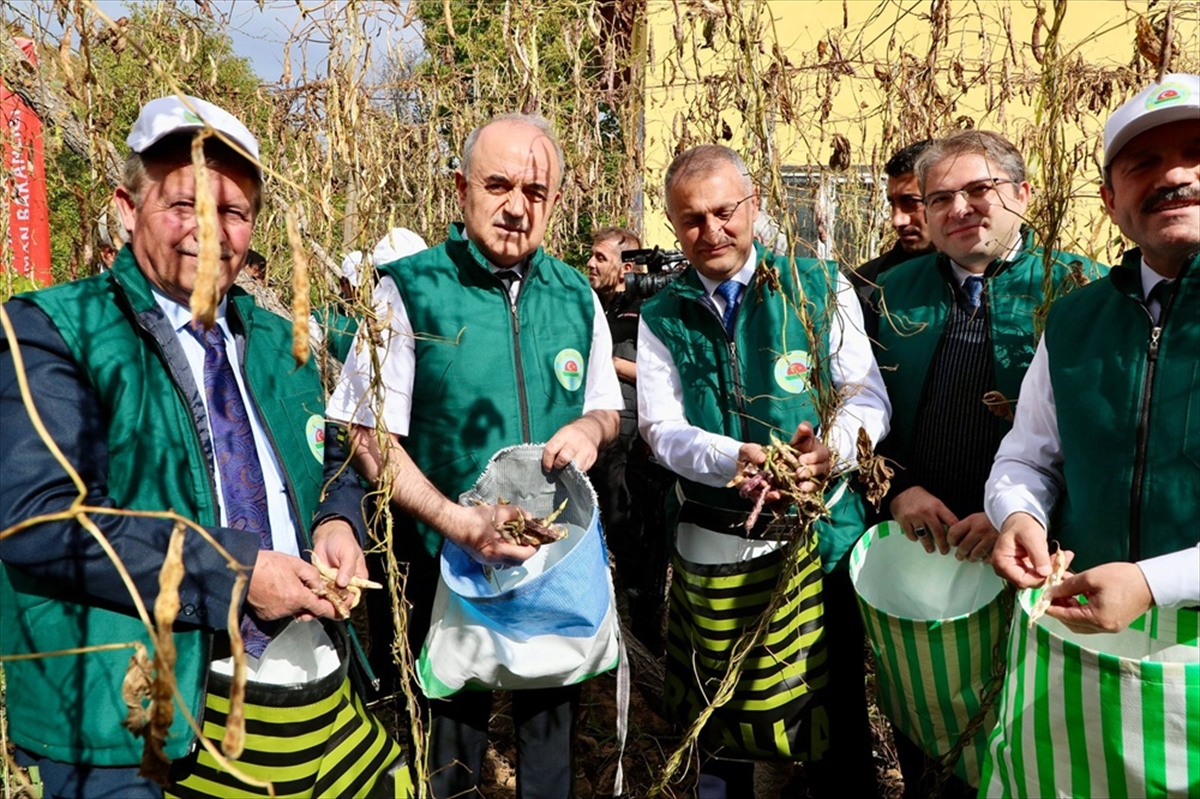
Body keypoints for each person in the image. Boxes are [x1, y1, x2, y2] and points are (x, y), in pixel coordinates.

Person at [0, 96, 403, 798]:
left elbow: (337, 456)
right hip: (126, 717)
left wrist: (337, 517)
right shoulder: (51, 332)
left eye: (233, 212)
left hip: (300, 692)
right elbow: (41, 520)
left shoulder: (283, 343)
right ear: (127, 207)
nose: (210, 233)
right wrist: (239, 573)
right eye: (184, 204)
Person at [328, 113, 622, 798]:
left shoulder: (576, 295)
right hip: (441, 558)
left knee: (550, 743)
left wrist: (592, 429)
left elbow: (607, 404)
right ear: (461, 189)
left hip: (548, 558)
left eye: (536, 191)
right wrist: (458, 523)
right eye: (498, 185)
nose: (517, 206)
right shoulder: (409, 289)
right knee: (448, 749)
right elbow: (368, 434)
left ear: (554, 201)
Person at [636, 144, 891, 798]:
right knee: (722, 704)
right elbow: (660, 428)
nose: (711, 231)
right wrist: (734, 457)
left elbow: (863, 393)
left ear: (753, 206)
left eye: (725, 211)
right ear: (673, 223)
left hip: (820, 535)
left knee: (826, 702)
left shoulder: (815, 285)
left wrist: (829, 450)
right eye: (691, 219)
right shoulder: (664, 314)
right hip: (718, 538)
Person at [868, 129, 1101, 796]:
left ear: (1022, 195)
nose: (960, 208)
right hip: (924, 543)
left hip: (1032, 551)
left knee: (1023, 726)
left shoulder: (1076, 290)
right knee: (923, 715)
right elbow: (858, 409)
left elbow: (1088, 437)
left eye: (979, 190)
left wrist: (1014, 514)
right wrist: (897, 491)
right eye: (940, 197)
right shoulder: (886, 293)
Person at [987, 73, 1200, 633]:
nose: (1175, 176)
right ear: (1110, 200)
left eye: (1197, 154)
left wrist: (1156, 583)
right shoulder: (1074, 320)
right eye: (1143, 164)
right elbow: (1029, 456)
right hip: (1084, 634)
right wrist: (1018, 515)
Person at [850, 140, 936, 301]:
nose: (897, 220)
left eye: (911, 202)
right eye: (892, 203)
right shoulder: (867, 286)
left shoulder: (990, 278)